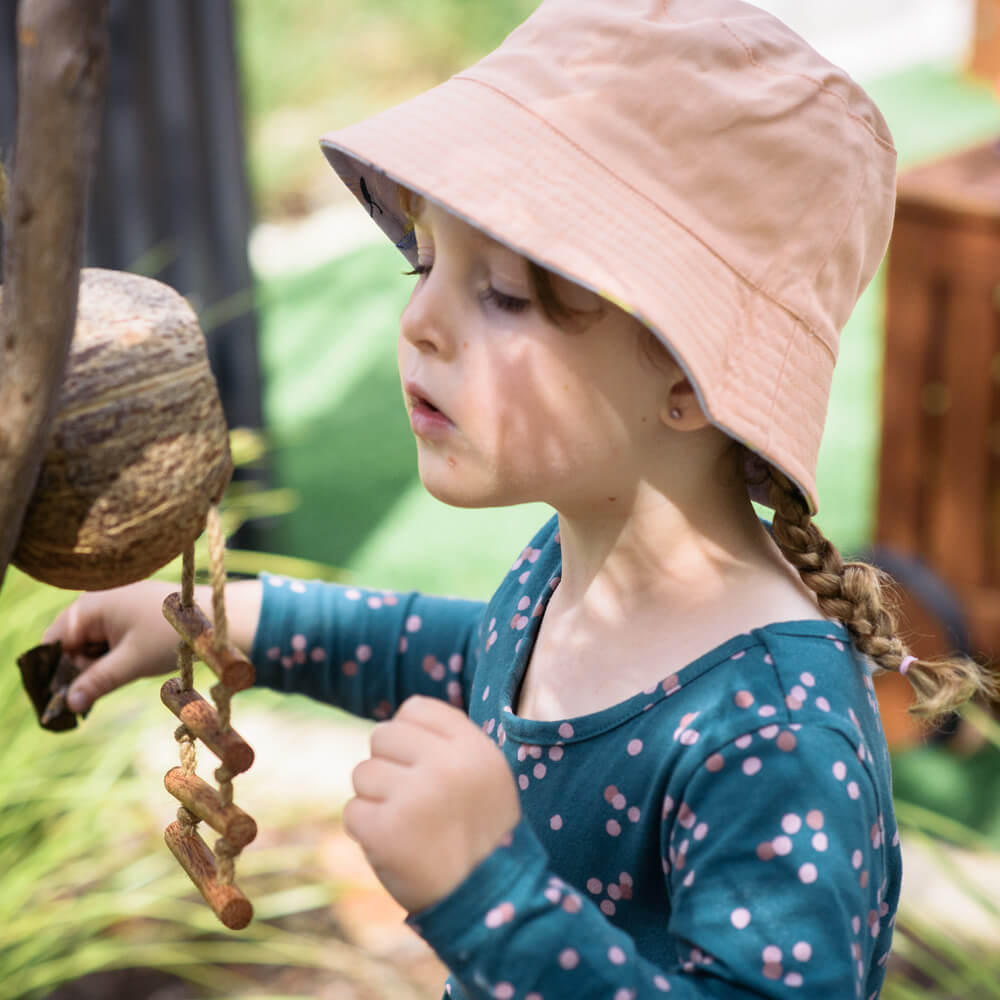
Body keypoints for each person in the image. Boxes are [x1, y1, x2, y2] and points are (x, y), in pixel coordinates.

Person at [45, 1, 998, 996]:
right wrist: (241, 621)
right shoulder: (568, 568)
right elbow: (482, 658)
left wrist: (484, 894)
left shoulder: (771, 733)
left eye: (499, 291)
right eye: (424, 262)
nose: (419, 321)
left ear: (687, 375)